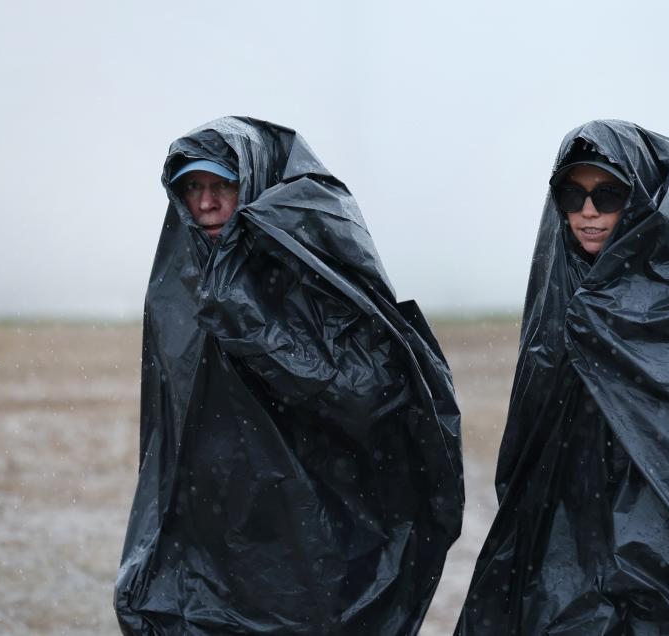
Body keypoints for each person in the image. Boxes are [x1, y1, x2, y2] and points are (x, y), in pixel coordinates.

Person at [456, 120, 669, 635]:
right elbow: (533, 427)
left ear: (642, 198)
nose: (588, 213)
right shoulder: (564, 285)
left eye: (608, 193)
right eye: (571, 195)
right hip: (571, 527)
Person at [114, 116, 464, 635]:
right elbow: (168, 420)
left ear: (250, 184)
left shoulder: (307, 255)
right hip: (214, 530)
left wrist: (250, 318)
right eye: (193, 187)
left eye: (221, 186)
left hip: (310, 532)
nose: (205, 203)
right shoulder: (180, 279)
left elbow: (365, 391)